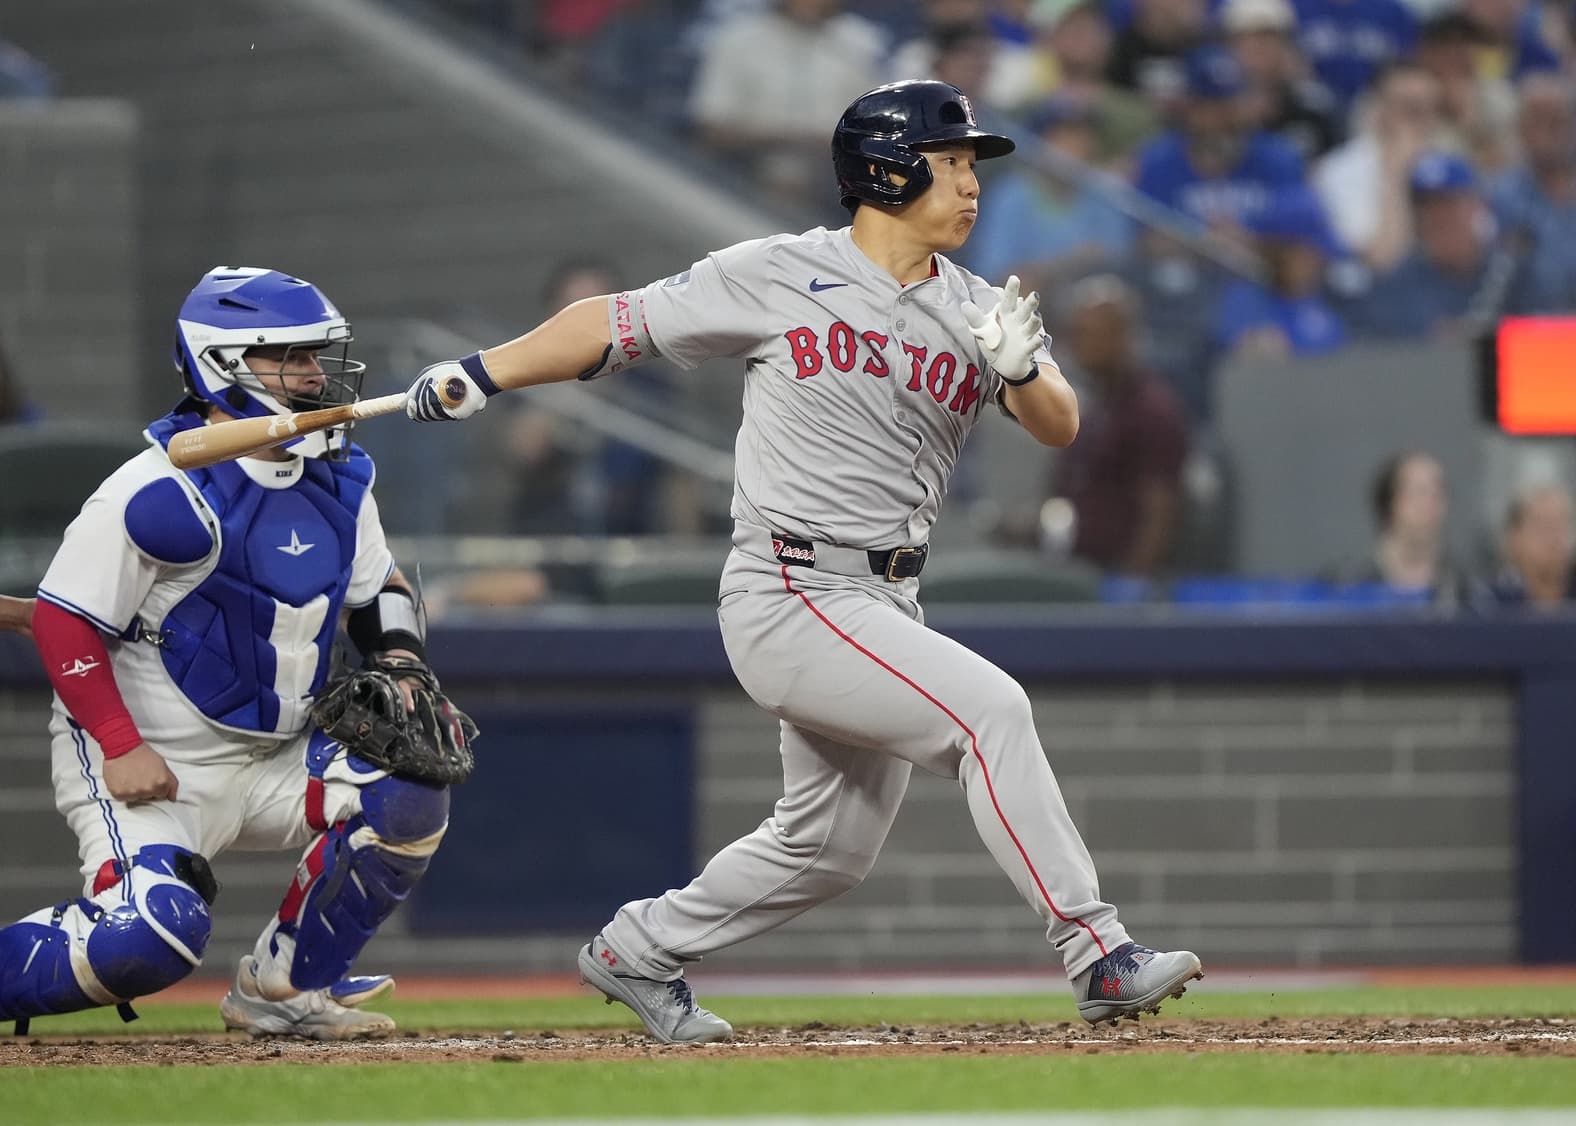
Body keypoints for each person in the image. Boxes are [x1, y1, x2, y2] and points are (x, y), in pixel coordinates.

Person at [403, 79, 1203, 1043]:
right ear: (887, 169)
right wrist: (482, 372)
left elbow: (1061, 425)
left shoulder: (978, 304)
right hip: (791, 584)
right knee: (992, 712)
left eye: (968, 165)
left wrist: (1022, 368)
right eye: (949, 162)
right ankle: (1096, 950)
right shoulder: (778, 272)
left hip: (887, 598)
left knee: (829, 850)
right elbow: (614, 325)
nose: (969, 181)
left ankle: (639, 948)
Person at [0, 267, 469, 1040]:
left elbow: (376, 587)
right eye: (292, 358)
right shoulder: (156, 490)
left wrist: (401, 659)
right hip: (155, 764)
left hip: (280, 752)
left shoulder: (342, 477)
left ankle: (283, 989)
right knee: (150, 942)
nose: (317, 375)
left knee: (411, 789)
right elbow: (61, 622)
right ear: (225, 362)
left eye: (316, 355)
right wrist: (120, 747)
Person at [1048, 275, 1190, 577]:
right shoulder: (1093, 405)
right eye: (1075, 333)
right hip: (1075, 571)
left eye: (1089, 334)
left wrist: (1129, 594)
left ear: (1123, 336)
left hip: (1117, 584)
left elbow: (1159, 516)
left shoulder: (1153, 412)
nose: (1078, 345)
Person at [1471, 481, 1576, 611]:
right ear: (1513, 538)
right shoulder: (1488, 604)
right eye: (1543, 526)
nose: (1555, 538)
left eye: (1562, 526)